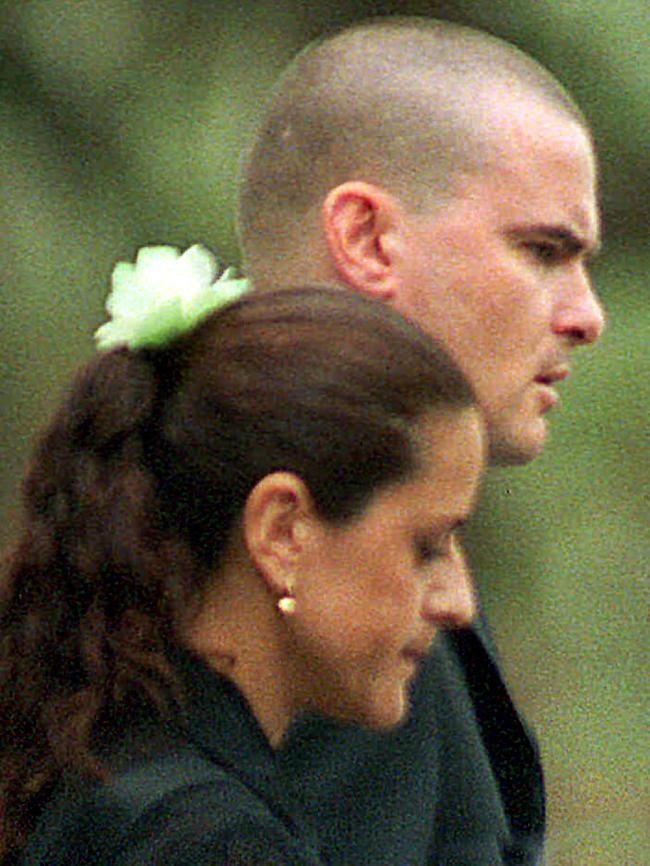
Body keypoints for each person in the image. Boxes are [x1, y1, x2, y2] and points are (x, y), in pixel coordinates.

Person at [236, 16, 605, 866]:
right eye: (543, 250)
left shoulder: (188, 498)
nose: (586, 316)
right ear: (367, 240)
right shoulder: (324, 587)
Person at [0, 245, 485, 866]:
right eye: (426, 546)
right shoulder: (208, 841)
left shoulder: (101, 772)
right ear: (282, 533)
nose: (458, 604)